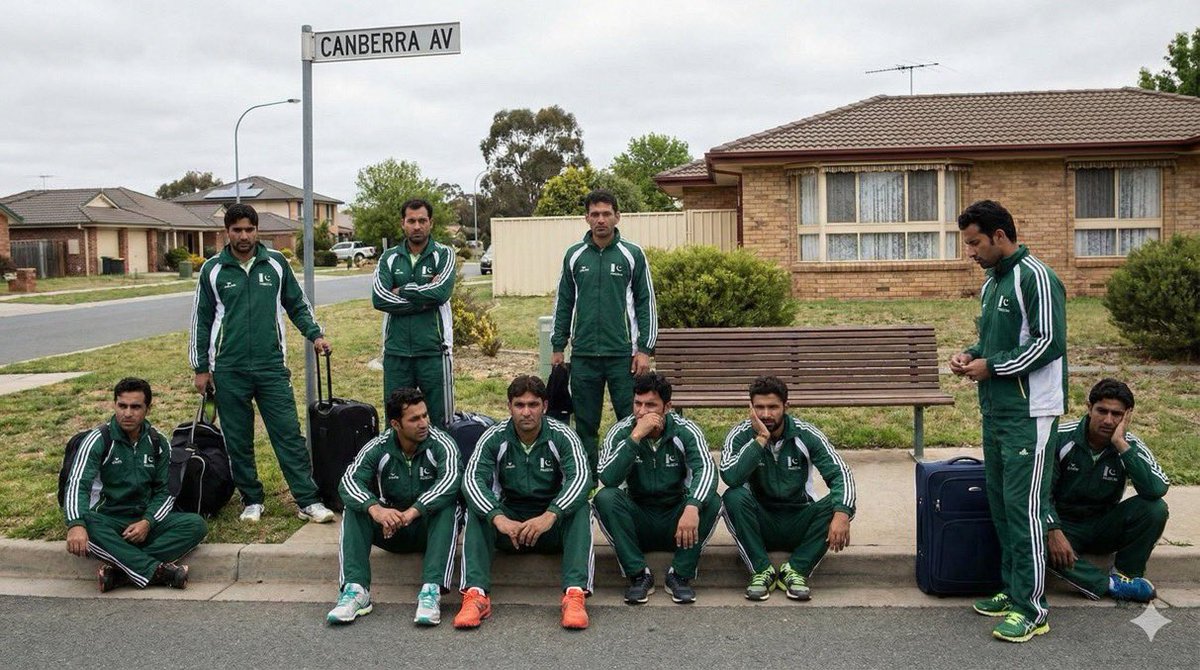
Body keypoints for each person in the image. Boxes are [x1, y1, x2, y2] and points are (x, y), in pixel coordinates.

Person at [949, 199, 1067, 643]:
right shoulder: (992, 283)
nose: (970, 252)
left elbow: (1049, 342)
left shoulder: (1036, 276)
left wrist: (993, 367)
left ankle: (1032, 609)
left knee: (1025, 509)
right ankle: (1013, 589)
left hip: (1030, 413)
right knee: (1000, 505)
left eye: (975, 243)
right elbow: (992, 342)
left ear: (999, 236)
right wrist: (971, 355)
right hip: (996, 411)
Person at [189, 202, 335, 524]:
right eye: (237, 230)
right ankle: (252, 500)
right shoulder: (212, 269)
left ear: (257, 231)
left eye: (249, 229)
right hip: (228, 368)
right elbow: (201, 320)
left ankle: (307, 500)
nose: (244, 236)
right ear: (226, 232)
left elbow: (297, 305)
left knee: (288, 434)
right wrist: (201, 367)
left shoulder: (276, 263)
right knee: (238, 439)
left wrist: (315, 335)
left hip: (271, 367)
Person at [455, 375, 593, 630]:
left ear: (545, 406)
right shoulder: (494, 436)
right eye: (519, 405)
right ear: (509, 407)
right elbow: (471, 480)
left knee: (581, 507)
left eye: (533, 405)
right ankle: (476, 595)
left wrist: (550, 515)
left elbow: (582, 479)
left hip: (550, 526)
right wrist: (498, 517)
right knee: (478, 509)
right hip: (510, 528)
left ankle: (574, 595)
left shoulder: (563, 435)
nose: (526, 412)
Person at [327, 388, 463, 626]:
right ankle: (356, 591)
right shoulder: (378, 446)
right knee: (355, 506)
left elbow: (450, 481)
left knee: (449, 506)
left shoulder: (442, 443)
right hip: (390, 529)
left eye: (425, 415)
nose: (424, 423)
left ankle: (431, 592)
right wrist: (376, 510)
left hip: (427, 528)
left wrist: (413, 512)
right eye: (414, 419)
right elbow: (348, 482)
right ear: (395, 424)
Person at [64, 378, 207, 592]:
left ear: (148, 409)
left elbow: (166, 491)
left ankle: (121, 572)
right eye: (122, 406)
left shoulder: (158, 441)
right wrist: (75, 524)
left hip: (143, 521)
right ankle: (157, 571)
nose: (128, 413)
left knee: (195, 525)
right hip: (108, 520)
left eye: (135, 407)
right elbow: (77, 483)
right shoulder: (98, 439)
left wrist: (147, 522)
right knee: (88, 524)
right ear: (114, 405)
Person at [720, 376, 855, 602]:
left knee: (842, 503)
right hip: (760, 523)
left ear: (786, 406)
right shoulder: (740, 435)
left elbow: (840, 474)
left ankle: (796, 571)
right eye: (759, 407)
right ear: (750, 408)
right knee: (733, 496)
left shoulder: (806, 433)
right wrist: (761, 438)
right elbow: (730, 476)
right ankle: (761, 570)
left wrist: (842, 513)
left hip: (800, 520)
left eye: (773, 407)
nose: (766, 414)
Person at [551, 189, 658, 471]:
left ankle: (632, 478)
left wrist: (644, 349)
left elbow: (646, 302)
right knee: (586, 424)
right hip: (584, 355)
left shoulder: (632, 254)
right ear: (586, 218)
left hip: (623, 356)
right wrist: (558, 345)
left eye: (606, 214)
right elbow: (563, 301)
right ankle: (588, 481)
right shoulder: (574, 255)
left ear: (617, 217)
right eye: (595, 214)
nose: (601, 220)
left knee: (631, 419)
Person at [594, 372, 719, 604]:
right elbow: (608, 477)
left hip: (677, 520)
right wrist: (635, 437)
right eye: (637, 403)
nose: (642, 412)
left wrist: (692, 506)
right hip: (638, 518)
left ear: (667, 407)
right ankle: (639, 575)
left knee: (711, 500)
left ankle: (679, 575)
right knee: (605, 498)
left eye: (650, 405)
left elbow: (707, 470)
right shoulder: (621, 431)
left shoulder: (686, 430)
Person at [1046, 379, 1169, 603]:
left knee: (1155, 509)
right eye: (1102, 411)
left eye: (1117, 414)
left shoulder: (1129, 444)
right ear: (1089, 408)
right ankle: (1109, 585)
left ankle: (1126, 576)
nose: (1108, 420)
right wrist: (1053, 529)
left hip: (1104, 524)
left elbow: (1157, 488)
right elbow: (1040, 492)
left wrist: (1121, 444)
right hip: (1064, 525)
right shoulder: (1060, 437)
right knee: (1032, 540)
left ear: (1127, 416)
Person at [372, 198, 457, 428]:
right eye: (411, 221)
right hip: (396, 352)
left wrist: (402, 290)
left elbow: (441, 292)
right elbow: (379, 298)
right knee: (396, 423)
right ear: (403, 223)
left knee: (441, 422)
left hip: (434, 352)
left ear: (431, 223)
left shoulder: (444, 254)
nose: (417, 226)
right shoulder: (389, 257)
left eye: (422, 220)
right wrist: (423, 301)